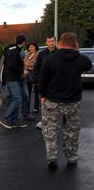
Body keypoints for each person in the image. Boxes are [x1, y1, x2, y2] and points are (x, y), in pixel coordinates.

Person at [39, 32, 92, 169]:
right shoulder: (81, 59)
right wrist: (76, 50)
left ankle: (52, 157)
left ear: (60, 43)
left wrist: (43, 95)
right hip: (73, 102)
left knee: (50, 129)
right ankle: (72, 157)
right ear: (75, 44)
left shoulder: (50, 59)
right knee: (72, 130)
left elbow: (43, 80)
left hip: (52, 101)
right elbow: (87, 65)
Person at [0, 34, 28, 129]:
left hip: (13, 78)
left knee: (15, 98)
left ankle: (13, 120)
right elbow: (11, 66)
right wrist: (22, 71)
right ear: (23, 42)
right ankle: (6, 118)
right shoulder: (14, 52)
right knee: (17, 98)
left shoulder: (12, 50)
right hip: (12, 79)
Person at [34, 36, 57, 129]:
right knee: (44, 103)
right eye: (49, 41)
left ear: (55, 42)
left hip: (57, 83)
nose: (51, 43)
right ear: (46, 43)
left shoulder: (59, 53)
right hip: (44, 83)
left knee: (57, 103)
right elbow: (37, 67)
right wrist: (38, 78)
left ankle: (55, 121)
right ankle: (44, 121)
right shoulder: (42, 54)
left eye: (52, 41)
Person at [24, 43, 39, 113]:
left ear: (35, 48)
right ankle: (28, 107)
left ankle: (36, 108)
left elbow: (36, 64)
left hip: (35, 76)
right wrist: (29, 65)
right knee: (28, 93)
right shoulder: (27, 54)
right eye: (30, 47)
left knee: (36, 93)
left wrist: (29, 65)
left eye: (32, 47)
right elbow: (24, 63)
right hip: (27, 76)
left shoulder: (38, 54)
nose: (31, 48)